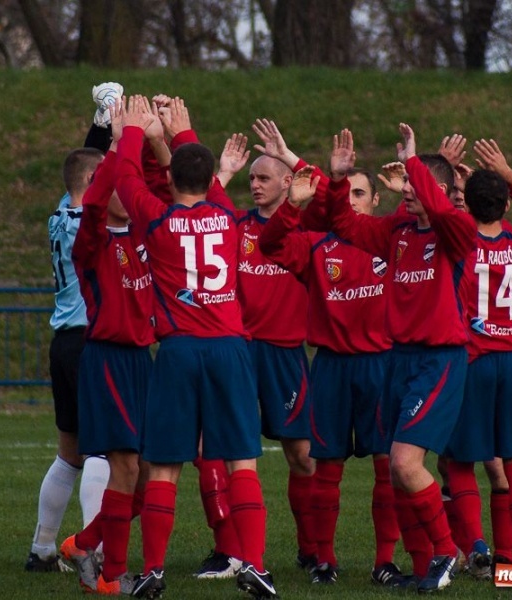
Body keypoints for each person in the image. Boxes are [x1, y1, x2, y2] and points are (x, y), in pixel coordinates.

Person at [115, 95, 277, 600]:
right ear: (212, 181)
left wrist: (134, 132)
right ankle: (254, 565)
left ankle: (154, 571)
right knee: (241, 463)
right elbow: (201, 179)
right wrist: (180, 132)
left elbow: (125, 179)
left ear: (166, 182)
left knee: (164, 465)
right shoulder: (229, 218)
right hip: (229, 348)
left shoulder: (157, 222)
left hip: (180, 350)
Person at [326, 124, 477, 593]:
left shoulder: (456, 229)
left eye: (413, 185)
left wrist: (415, 161)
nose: (405, 192)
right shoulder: (399, 230)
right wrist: (337, 181)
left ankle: (447, 553)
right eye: (407, 184)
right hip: (399, 359)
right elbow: (349, 226)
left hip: (438, 361)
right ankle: (424, 564)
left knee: (406, 463)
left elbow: (439, 205)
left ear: (432, 188)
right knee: (397, 470)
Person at [251, 124, 404, 587]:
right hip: (332, 367)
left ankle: (384, 562)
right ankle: (324, 560)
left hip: (380, 365)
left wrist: (417, 178)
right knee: (326, 469)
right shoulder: (317, 245)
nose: (353, 199)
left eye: (362, 193)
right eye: (348, 192)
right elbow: (271, 245)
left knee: (386, 467)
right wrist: (300, 197)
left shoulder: (392, 240)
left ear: (376, 201)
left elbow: (433, 215)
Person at [206, 133, 316, 580]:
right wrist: (224, 172)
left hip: (286, 355)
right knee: (218, 449)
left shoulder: (308, 232)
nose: (255, 185)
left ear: (289, 181)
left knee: (302, 456)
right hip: (239, 351)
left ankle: (312, 550)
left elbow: (328, 188)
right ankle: (227, 551)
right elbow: (198, 206)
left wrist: (297, 156)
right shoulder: (236, 226)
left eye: (264, 177)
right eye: (251, 178)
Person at [58, 99, 156, 596]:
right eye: (114, 183)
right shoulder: (91, 241)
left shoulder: (144, 233)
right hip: (108, 359)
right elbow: (96, 200)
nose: (123, 190)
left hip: (144, 361)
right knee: (127, 467)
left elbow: (162, 191)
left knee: (146, 476)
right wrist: (124, 139)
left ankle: (85, 543)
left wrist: (153, 134)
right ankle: (111, 575)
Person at [445, 138, 512, 569]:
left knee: (459, 458)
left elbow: (443, 218)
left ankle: (477, 548)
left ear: (467, 207)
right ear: (506, 208)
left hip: (475, 360)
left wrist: (467, 197)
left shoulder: (460, 245)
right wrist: (507, 173)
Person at [25, 143, 111, 573]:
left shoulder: (60, 213)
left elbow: (85, 166)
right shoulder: (90, 227)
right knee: (102, 452)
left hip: (63, 342)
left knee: (70, 453)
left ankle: (41, 549)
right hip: (89, 342)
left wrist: (102, 122)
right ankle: (92, 553)